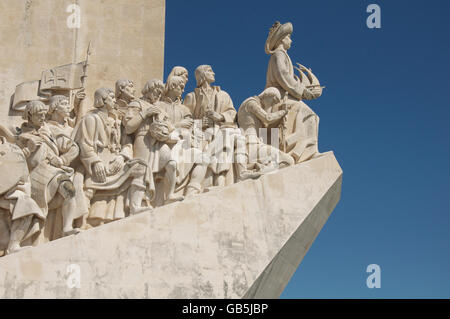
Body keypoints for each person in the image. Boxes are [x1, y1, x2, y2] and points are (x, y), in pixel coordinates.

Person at [73, 88, 146, 226]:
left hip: (115, 162)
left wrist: (122, 157)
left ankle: (135, 207)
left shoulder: (117, 121)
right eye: (111, 97)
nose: (114, 100)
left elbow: (127, 143)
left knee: (140, 168)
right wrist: (95, 162)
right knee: (88, 187)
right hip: (98, 162)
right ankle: (80, 222)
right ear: (102, 100)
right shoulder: (90, 119)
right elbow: (84, 144)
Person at [17, 101, 79, 238]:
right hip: (36, 175)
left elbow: (70, 146)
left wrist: (62, 159)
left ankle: (67, 227)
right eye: (39, 115)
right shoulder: (22, 136)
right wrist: (28, 150)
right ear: (29, 115)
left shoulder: (48, 131)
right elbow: (16, 159)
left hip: (53, 171)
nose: (43, 118)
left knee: (70, 190)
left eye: (44, 114)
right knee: (31, 210)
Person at [265, 21, 323, 163]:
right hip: (279, 98)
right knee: (308, 114)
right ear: (282, 39)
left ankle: (305, 150)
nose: (291, 40)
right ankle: (306, 152)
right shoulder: (278, 55)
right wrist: (303, 91)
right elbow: (283, 76)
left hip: (287, 97)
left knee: (311, 116)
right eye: (289, 37)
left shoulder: (282, 55)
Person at [123, 79, 184, 210]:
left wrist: (165, 128)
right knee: (143, 170)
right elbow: (128, 127)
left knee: (171, 163)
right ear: (149, 89)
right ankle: (135, 206)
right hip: (142, 139)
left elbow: (169, 126)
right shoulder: (136, 103)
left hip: (158, 141)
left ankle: (170, 194)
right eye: (157, 92)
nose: (158, 95)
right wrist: (145, 113)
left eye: (160, 93)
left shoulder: (159, 108)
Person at [184, 65, 238, 187]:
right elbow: (185, 120)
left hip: (220, 130)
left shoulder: (223, 94)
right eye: (209, 71)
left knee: (223, 151)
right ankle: (197, 186)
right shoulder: (192, 96)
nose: (213, 73)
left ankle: (219, 183)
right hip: (201, 135)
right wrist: (199, 124)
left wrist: (220, 117)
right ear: (202, 75)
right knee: (205, 157)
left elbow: (232, 112)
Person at [46, 95, 89, 237]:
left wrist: (78, 105)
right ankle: (68, 226)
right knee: (71, 188)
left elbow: (78, 128)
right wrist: (64, 159)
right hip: (58, 169)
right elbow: (69, 144)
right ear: (55, 108)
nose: (67, 107)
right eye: (64, 104)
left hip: (75, 167)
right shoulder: (50, 127)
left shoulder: (67, 126)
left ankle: (75, 224)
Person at [237, 87, 294, 180]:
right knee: (287, 160)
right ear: (268, 95)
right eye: (274, 100)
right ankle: (256, 174)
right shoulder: (251, 103)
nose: (273, 104)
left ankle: (260, 172)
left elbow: (266, 123)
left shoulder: (257, 105)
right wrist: (283, 111)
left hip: (256, 142)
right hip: (250, 143)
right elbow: (267, 118)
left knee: (288, 161)